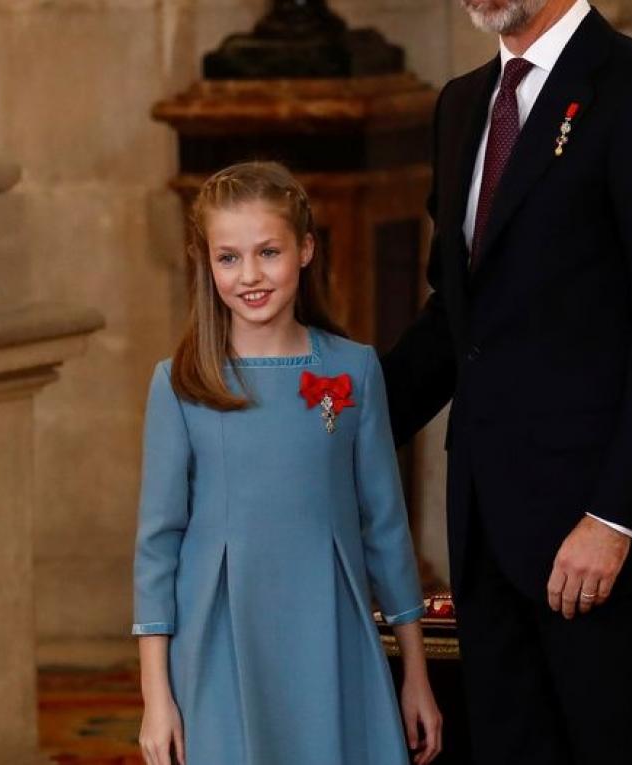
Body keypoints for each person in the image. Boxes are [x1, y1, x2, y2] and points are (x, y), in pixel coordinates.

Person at [380, 0, 632, 763]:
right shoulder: (461, 104)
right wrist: (336, 415)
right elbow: (459, 317)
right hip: (487, 536)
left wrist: (615, 518)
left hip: (604, 546)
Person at [131, 161, 442, 765]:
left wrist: (416, 676)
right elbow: (156, 547)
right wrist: (156, 697)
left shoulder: (354, 370)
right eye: (228, 258)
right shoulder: (180, 384)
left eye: (268, 252)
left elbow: (385, 527)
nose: (249, 275)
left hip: (332, 635)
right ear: (206, 263)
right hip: (218, 643)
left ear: (305, 249)